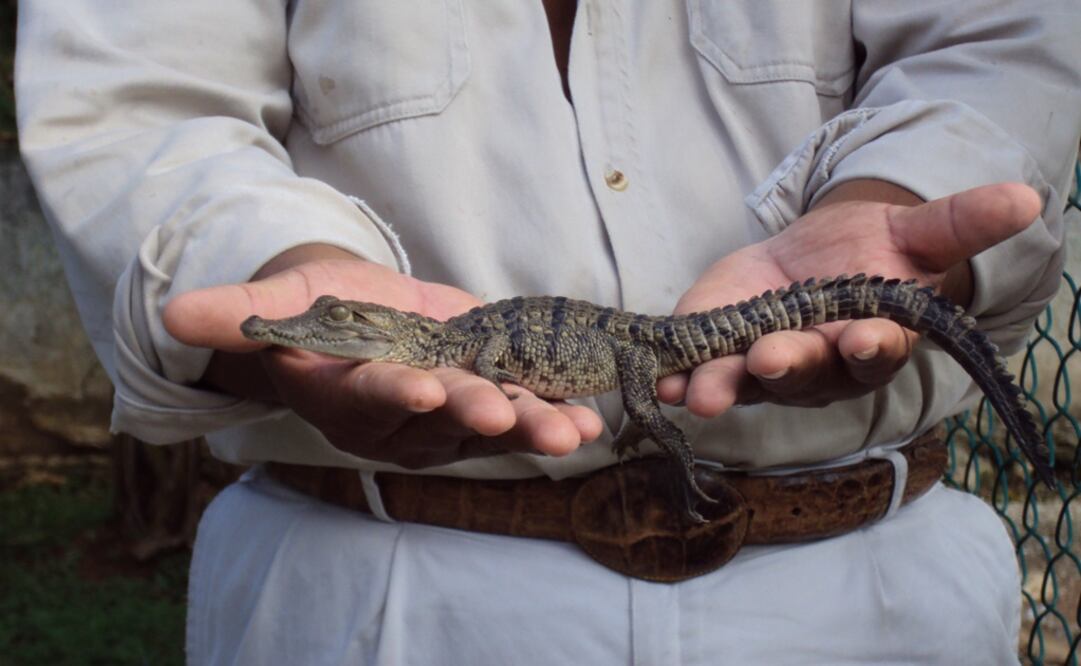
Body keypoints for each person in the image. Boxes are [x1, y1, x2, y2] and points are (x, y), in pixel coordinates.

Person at [15, 1, 1081, 663]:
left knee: (655, 395)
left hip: (870, 594)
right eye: (341, 326)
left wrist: (891, 189)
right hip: (380, 602)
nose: (333, 330)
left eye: (345, 322)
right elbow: (135, 98)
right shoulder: (435, 347)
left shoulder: (458, 345)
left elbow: (1000, 41)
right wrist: (282, 265)